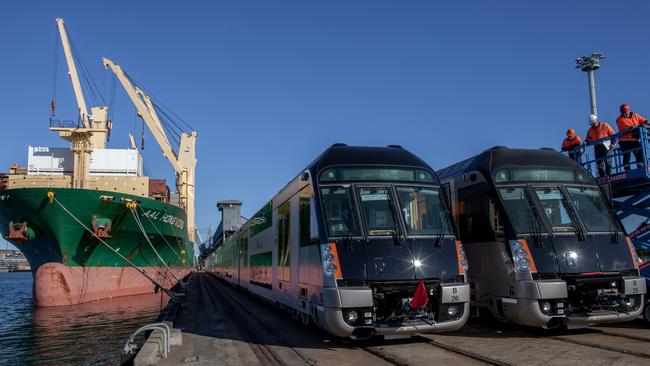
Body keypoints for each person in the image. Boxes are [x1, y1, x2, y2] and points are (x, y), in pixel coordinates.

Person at [616, 103, 648, 171]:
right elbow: (627, 127)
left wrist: (646, 123)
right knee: (626, 155)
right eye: (623, 113)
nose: (624, 114)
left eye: (625, 112)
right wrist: (638, 126)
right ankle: (627, 170)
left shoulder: (635, 115)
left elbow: (643, 120)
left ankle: (641, 167)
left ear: (628, 111)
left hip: (634, 139)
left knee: (639, 153)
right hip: (625, 140)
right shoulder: (620, 119)